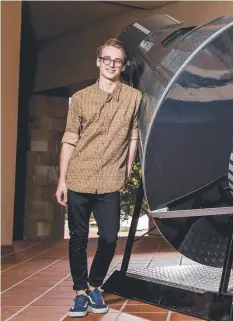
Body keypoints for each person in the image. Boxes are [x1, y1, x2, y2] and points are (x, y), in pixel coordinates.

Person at [55, 38, 142, 318]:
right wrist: (62, 180)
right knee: (78, 238)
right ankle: (81, 292)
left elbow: (133, 135)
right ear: (98, 61)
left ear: (123, 65)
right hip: (79, 176)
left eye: (117, 61)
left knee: (108, 237)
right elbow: (70, 139)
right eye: (107, 59)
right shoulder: (80, 98)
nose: (111, 65)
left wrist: (128, 167)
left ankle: (95, 285)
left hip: (110, 179)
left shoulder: (133, 98)